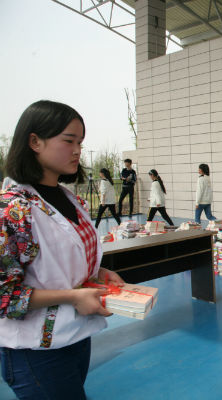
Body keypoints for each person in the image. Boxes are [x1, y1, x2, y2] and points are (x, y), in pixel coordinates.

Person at [0, 100, 125, 399]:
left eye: (80, 142)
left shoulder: (71, 200)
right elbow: (5, 296)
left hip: (75, 336)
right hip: (35, 350)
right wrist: (72, 296)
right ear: (35, 142)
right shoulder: (13, 209)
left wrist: (98, 272)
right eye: (69, 140)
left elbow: (60, 260)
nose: (77, 150)